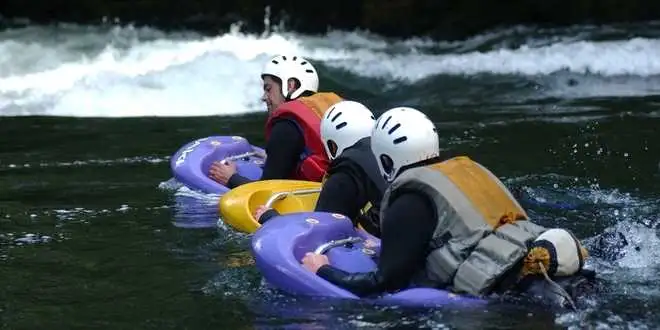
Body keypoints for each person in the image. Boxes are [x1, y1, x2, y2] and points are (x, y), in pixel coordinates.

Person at [301, 107, 594, 308]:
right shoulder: (469, 171)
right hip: (554, 278)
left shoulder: (409, 199)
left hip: (515, 299)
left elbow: (383, 283)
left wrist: (323, 271)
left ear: (387, 160)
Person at [254, 100, 387, 237]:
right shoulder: (391, 156)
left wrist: (271, 218)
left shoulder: (344, 175)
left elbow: (318, 233)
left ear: (333, 144)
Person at [209, 55, 342, 188]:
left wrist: (231, 178)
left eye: (268, 89)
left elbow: (266, 191)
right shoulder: (330, 108)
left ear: (290, 86)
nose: (264, 97)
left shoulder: (286, 126)